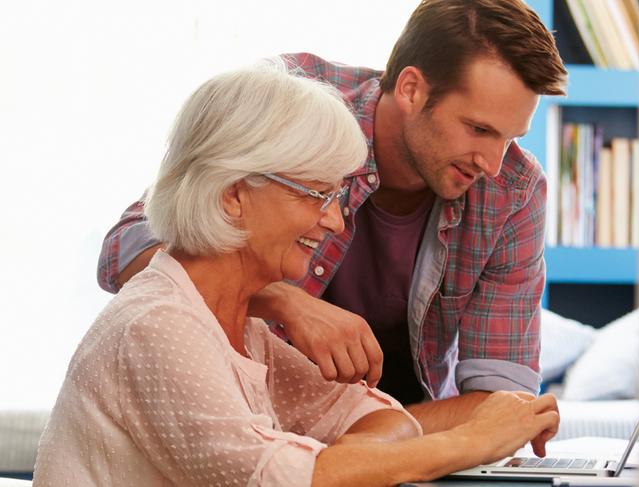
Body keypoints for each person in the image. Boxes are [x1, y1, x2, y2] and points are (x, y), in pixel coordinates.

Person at [35, 64, 559, 487]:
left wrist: (351, 463)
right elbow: (279, 478)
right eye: (317, 195)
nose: (335, 218)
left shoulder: (245, 336)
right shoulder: (160, 325)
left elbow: (373, 414)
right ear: (234, 194)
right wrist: (467, 441)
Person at [97, 0, 567, 433]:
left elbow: (502, 402)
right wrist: (283, 301)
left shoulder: (515, 191)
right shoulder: (297, 103)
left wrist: (371, 442)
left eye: (509, 138)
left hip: (404, 432)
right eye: (479, 129)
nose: (491, 162)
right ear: (410, 89)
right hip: (253, 416)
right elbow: (127, 248)